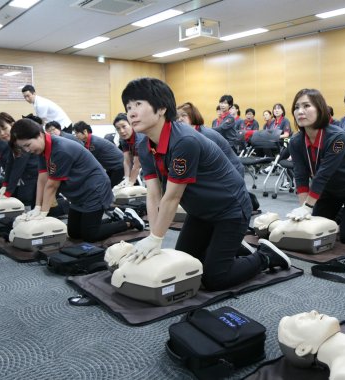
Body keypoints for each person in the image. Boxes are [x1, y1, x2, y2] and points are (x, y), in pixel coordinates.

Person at [121, 78, 290, 291]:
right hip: (200, 212)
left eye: (138, 104)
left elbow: (171, 197)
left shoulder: (184, 141)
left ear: (162, 108)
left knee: (213, 279)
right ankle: (233, 247)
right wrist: (154, 238)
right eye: (128, 107)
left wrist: (156, 237)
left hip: (230, 210)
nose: (131, 113)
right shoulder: (143, 144)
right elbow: (154, 194)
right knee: (186, 264)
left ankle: (265, 257)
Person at [10, 118, 145, 242]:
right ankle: (115, 218)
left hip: (94, 190)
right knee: (74, 233)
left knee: (90, 235)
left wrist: (44, 212)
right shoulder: (41, 149)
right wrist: (37, 206)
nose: (27, 150)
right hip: (78, 192)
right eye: (24, 148)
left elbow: (52, 185)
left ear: (39, 135)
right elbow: (42, 178)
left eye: (28, 145)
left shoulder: (61, 149)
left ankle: (129, 221)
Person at [287, 88, 345, 244]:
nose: (300, 111)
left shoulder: (337, 137)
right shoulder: (296, 142)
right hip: (329, 190)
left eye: (306, 106)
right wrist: (303, 209)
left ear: (320, 110)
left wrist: (308, 206)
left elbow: (324, 173)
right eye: (297, 107)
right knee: (316, 227)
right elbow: (300, 176)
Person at [0, 112, 39, 206]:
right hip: (28, 175)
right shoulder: (11, 141)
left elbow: (18, 168)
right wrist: (4, 185)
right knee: (20, 198)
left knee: (26, 200)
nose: (2, 133)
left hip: (38, 173)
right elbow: (10, 164)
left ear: (12, 124)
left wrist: (7, 192)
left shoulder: (21, 139)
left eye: (4, 128)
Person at [177, 101, 244, 177]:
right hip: (219, 170)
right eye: (178, 117)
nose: (179, 119)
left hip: (231, 173)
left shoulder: (205, 135)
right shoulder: (192, 133)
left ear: (193, 116)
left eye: (183, 115)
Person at [72, 120, 125, 187]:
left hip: (118, 166)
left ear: (85, 131)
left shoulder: (94, 144)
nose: (76, 136)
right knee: (106, 185)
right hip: (112, 167)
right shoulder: (88, 142)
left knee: (110, 187)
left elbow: (90, 162)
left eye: (77, 133)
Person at [114, 113, 143, 188]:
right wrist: (126, 178)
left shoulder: (139, 138)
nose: (122, 131)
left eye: (124, 126)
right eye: (118, 128)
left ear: (131, 124)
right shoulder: (123, 139)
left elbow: (137, 165)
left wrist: (131, 182)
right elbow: (127, 160)